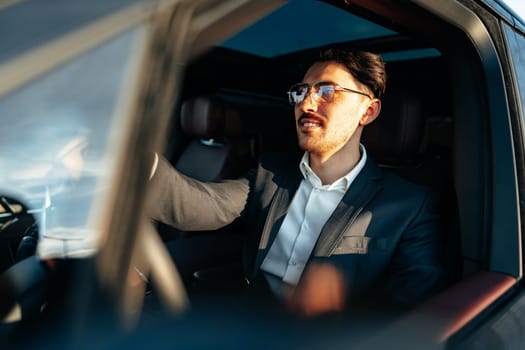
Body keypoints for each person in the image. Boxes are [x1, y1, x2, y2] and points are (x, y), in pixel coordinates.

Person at [148, 48, 443, 316]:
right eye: (301, 92)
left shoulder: (410, 205)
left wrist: (342, 311)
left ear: (367, 112)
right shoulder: (272, 173)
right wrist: (135, 161)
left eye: (327, 91)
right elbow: (199, 205)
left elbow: (410, 313)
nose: (306, 103)